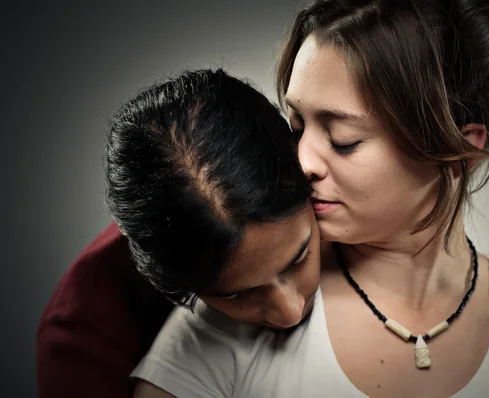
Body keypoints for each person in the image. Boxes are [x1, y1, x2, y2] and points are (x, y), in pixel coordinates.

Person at [132, 0, 489, 397]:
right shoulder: (232, 312)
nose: (302, 159)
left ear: (459, 153)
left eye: (343, 139)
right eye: (295, 126)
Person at [38, 68, 322, 397]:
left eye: (299, 259)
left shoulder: (344, 196)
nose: (289, 312)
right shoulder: (81, 343)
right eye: (235, 295)